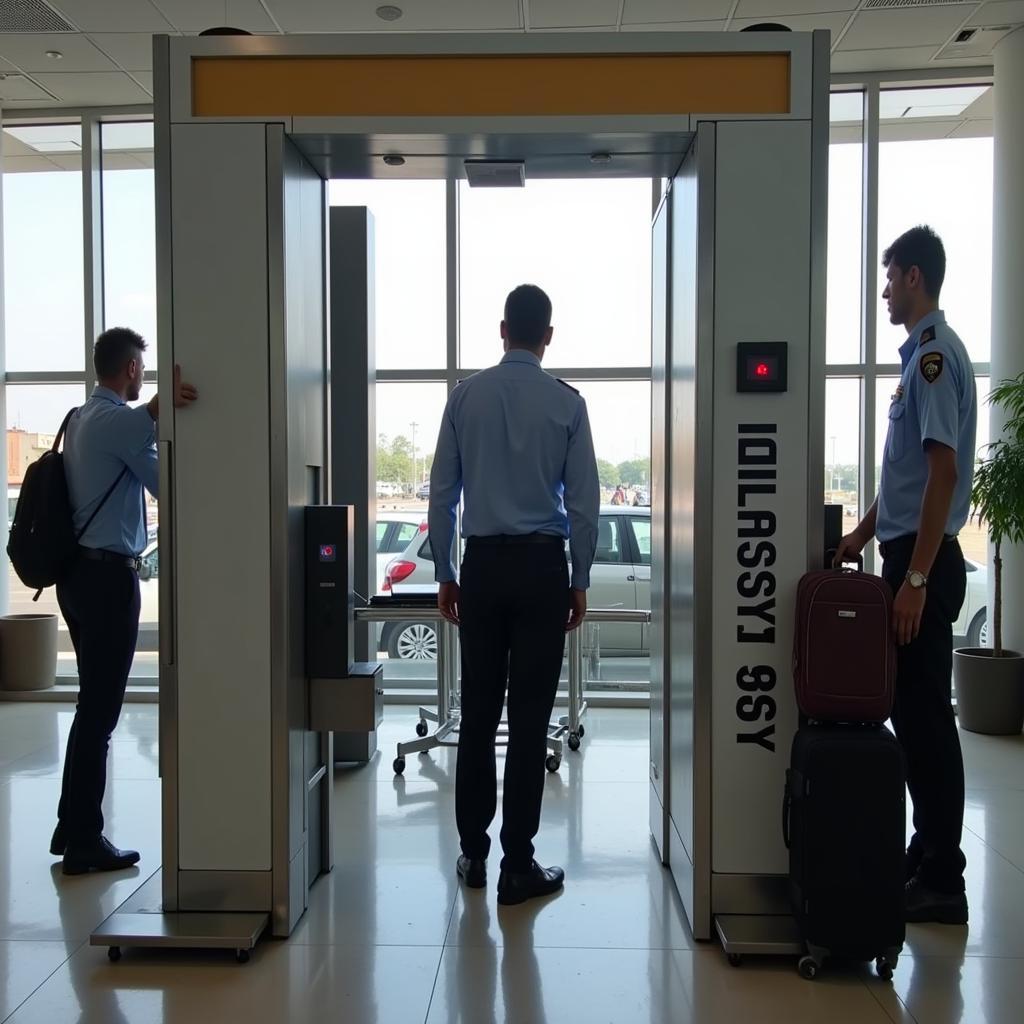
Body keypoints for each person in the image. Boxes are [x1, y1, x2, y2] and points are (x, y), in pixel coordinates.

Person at [429, 284, 599, 906]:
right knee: (529, 721)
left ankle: (473, 852)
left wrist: (447, 571)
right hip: (540, 572)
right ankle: (517, 864)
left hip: (482, 569)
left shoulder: (464, 399)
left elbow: (442, 494)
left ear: (503, 329)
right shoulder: (568, 405)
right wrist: (579, 580)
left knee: (478, 714)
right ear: (547, 336)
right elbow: (583, 505)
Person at [835, 225, 976, 925]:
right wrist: (860, 535)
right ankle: (925, 851)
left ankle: (944, 880)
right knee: (912, 717)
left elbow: (943, 473)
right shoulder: (918, 359)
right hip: (907, 555)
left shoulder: (932, 359)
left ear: (914, 277)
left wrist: (914, 581)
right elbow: (908, 477)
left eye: (890, 278)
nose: (885, 291)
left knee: (925, 722)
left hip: (926, 562)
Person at [50, 328, 198, 874]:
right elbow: (149, 421)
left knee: (93, 706)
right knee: (100, 710)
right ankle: (85, 837)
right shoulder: (115, 419)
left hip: (81, 577)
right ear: (131, 368)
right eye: (142, 366)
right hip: (108, 581)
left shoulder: (83, 418)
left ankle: (72, 824)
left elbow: (161, 483)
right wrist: (168, 400)